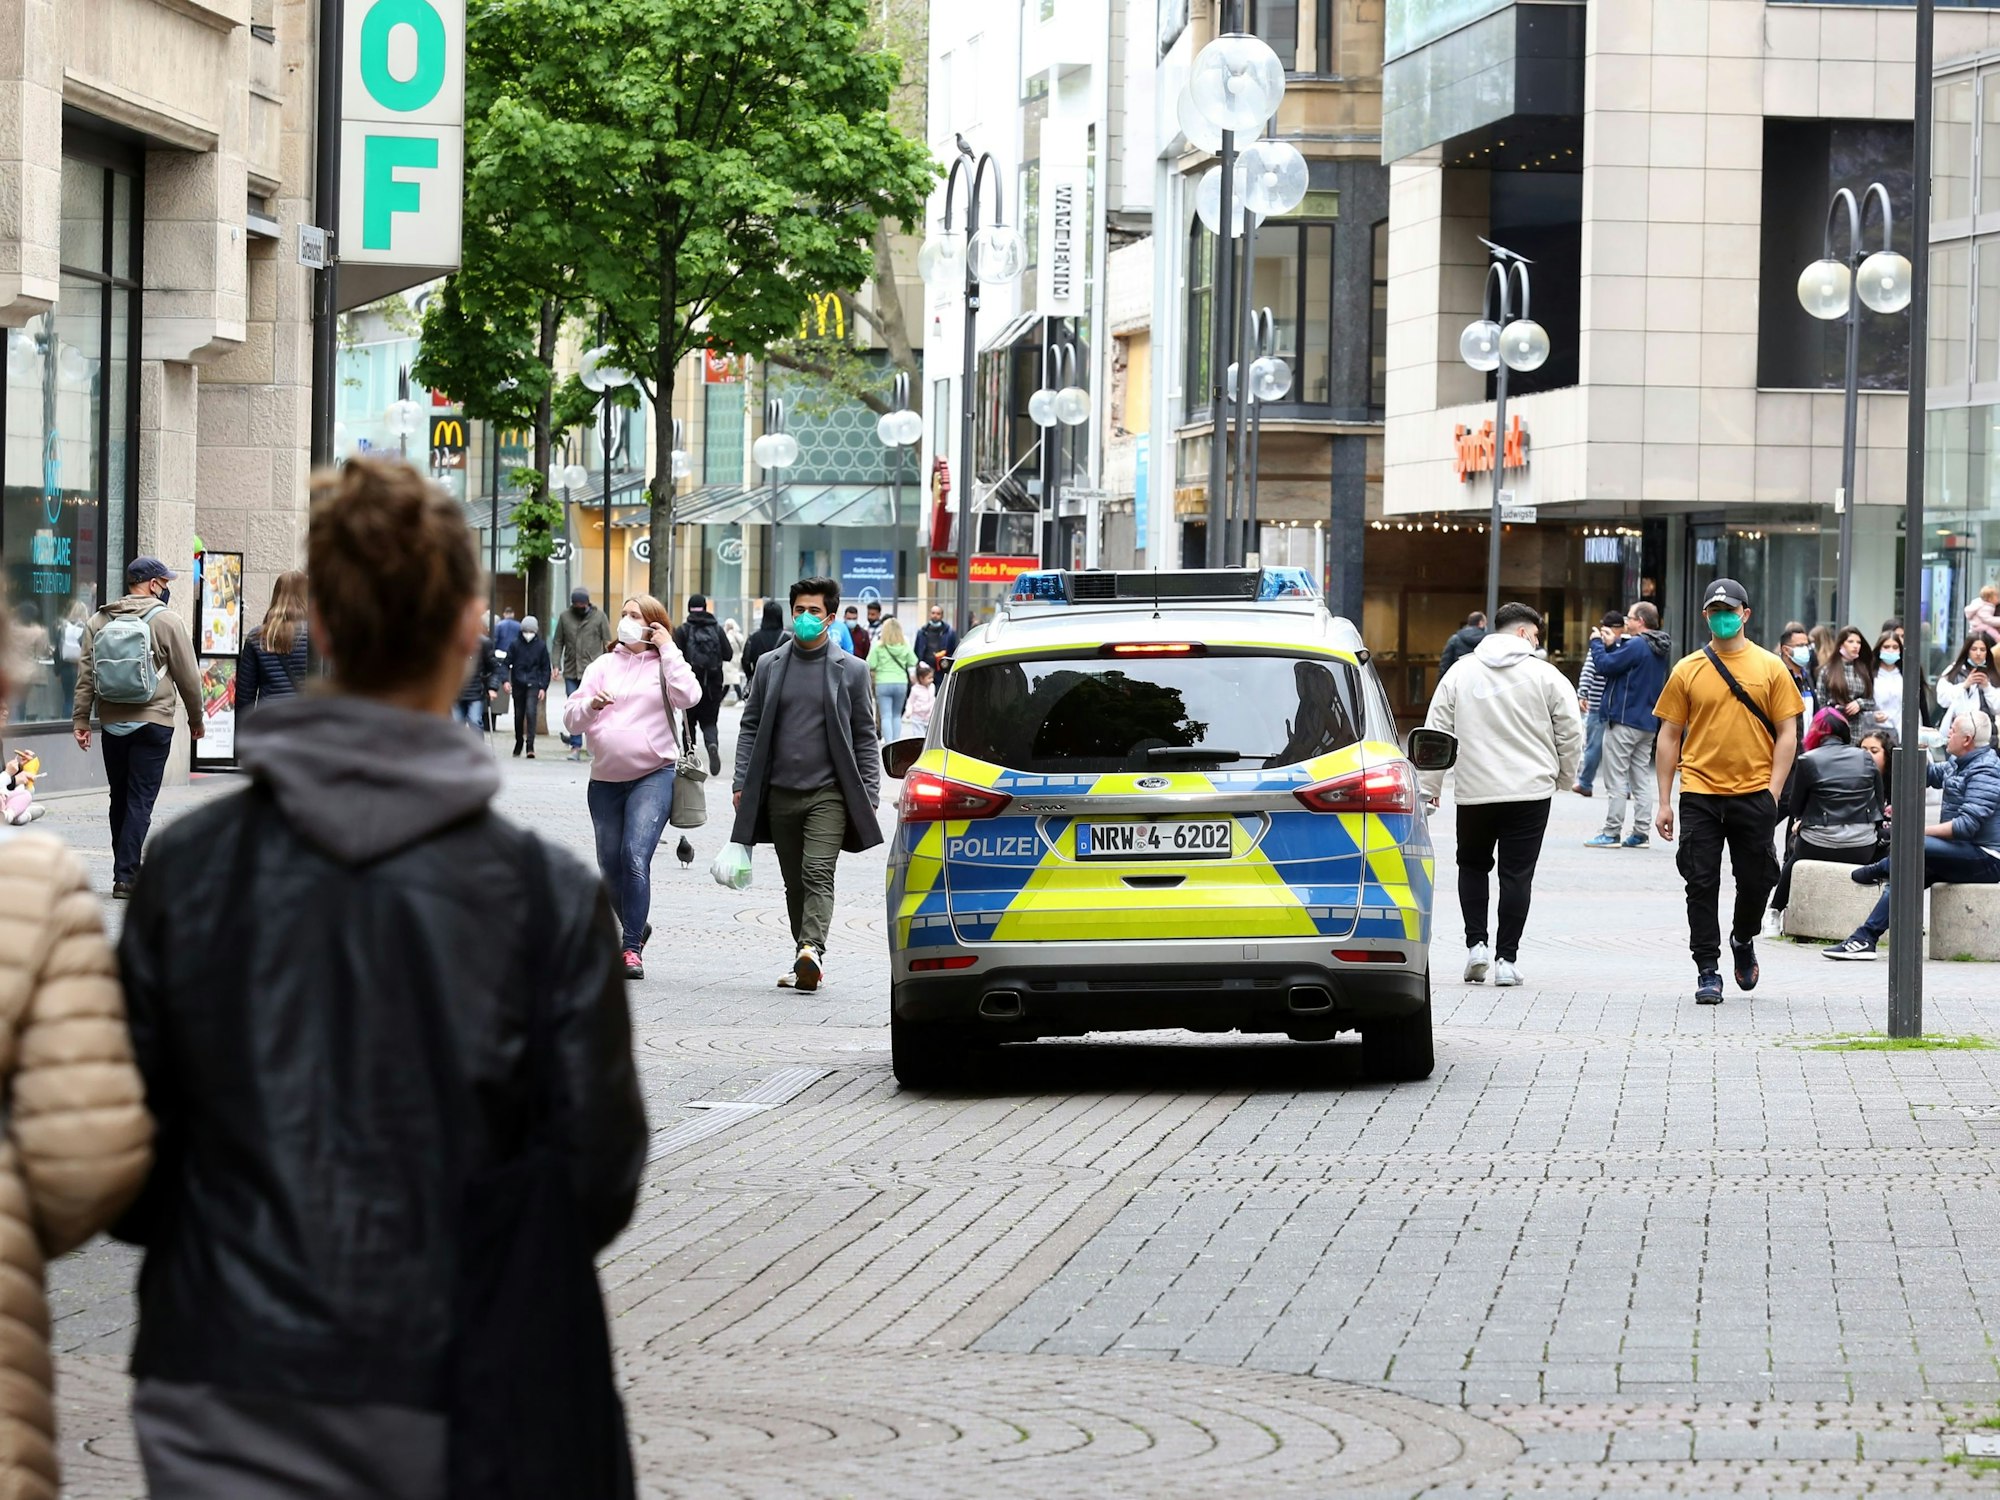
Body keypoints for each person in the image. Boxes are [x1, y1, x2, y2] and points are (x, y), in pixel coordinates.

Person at [114, 456, 648, 1499]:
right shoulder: (539, 894)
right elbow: (595, 1176)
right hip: (461, 1384)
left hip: (221, 1375)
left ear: (325, 629)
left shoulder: (190, 869)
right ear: (467, 630)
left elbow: (132, 1158)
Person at [0, 596, 153, 1500]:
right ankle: (131, 858)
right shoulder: (28, 887)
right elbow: (85, 1167)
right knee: (135, 803)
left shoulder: (100, 627)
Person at [1653, 579, 1803, 1004]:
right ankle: (1707, 968)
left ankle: (1743, 937)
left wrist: (1773, 790)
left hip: (1755, 791)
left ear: (1745, 614)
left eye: (1729, 609)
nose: (1723, 616)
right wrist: (1664, 800)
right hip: (1699, 791)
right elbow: (1669, 735)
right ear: (1706, 616)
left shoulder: (1770, 667)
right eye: (1715, 610)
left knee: (1757, 880)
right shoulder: (1688, 669)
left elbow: (1787, 733)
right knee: (1700, 881)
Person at [730, 577, 883, 992]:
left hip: (829, 793)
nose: (805, 617)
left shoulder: (851, 670)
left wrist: (869, 792)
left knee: (817, 871)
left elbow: (865, 736)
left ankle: (813, 949)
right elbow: (750, 727)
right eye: (799, 609)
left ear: (830, 618)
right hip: (779, 792)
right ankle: (804, 956)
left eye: (814, 611)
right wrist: (741, 780)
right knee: (793, 881)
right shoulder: (769, 664)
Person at [1419, 601, 1581, 987]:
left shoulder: (1460, 672)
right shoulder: (1546, 675)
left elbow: (1436, 731)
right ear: (1525, 632)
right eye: (1537, 635)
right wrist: (1563, 776)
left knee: (1472, 866)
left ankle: (1476, 946)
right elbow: (1571, 730)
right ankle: (1507, 959)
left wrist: (1431, 787)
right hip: (1530, 792)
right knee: (1517, 875)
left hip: (1475, 791)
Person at [562, 596, 701, 979]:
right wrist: (591, 705)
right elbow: (572, 720)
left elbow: (690, 696)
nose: (624, 621)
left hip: (653, 774)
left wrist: (668, 648)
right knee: (609, 867)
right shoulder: (603, 666)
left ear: (653, 625)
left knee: (633, 856)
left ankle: (630, 948)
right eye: (623, 614)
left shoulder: (665, 665)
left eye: (634, 616)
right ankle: (636, 925)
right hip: (605, 780)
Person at [72, 557, 204, 900]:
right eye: (165, 581)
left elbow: (86, 677)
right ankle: (126, 875)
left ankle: (125, 870)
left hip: (113, 724)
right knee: (141, 800)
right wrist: (196, 719)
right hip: (154, 722)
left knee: (121, 797)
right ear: (152, 584)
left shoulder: (98, 620)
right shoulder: (167, 621)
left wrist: (81, 720)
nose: (167, 587)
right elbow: (189, 678)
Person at [1825, 709, 2000, 959]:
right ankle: (1864, 939)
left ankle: (1881, 868)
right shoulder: (1958, 763)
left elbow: (1964, 827)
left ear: (1967, 739)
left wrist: (1913, 830)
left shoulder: (1986, 771)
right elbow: (1928, 775)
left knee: (1913, 845)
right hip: (1961, 852)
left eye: (1952, 730)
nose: (1947, 733)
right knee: (1909, 869)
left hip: (1986, 857)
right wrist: (1917, 750)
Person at [1769, 708, 1886, 922]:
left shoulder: (1807, 760)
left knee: (1793, 858)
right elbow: (1879, 804)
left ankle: (1774, 911)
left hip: (1817, 846)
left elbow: (1795, 808)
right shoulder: (1865, 757)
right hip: (1862, 848)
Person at [1584, 600, 1672, 850]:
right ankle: (1641, 832)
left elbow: (1606, 666)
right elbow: (1625, 664)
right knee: (1640, 777)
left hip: (1623, 720)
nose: (1626, 622)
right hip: (1647, 722)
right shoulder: (1659, 646)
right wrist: (1613, 645)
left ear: (1641, 621)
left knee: (1616, 779)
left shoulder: (1636, 644)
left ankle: (1611, 831)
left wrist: (1597, 643)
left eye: (1630, 618)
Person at [234, 569, 312, 717]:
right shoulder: (317, 637)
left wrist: (242, 735)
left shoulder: (257, 637)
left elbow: (244, 697)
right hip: (305, 723)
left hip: (269, 722)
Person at [674, 593, 729, 775]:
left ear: (689, 608)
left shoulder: (683, 630)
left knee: (688, 723)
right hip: (713, 686)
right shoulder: (717, 630)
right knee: (710, 722)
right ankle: (712, 745)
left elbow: (675, 657)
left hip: (689, 686)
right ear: (706, 608)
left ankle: (689, 756)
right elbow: (728, 654)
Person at [556, 587, 614, 761]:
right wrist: (555, 663)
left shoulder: (599, 617)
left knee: (594, 707)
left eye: (582, 604)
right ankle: (575, 746)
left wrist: (611, 664)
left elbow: (607, 641)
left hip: (593, 670)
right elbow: (558, 641)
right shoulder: (565, 617)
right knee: (574, 706)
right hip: (572, 669)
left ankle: (592, 742)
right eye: (576, 604)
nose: (579, 607)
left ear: (588, 602)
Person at [1573, 612, 1617, 797]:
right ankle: (1625, 787)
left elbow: (1588, 671)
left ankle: (1585, 783)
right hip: (1615, 705)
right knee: (1618, 749)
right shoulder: (1622, 647)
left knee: (1593, 746)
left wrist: (1582, 693)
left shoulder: (1598, 647)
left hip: (1597, 703)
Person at [508, 615, 552, 758]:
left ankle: (530, 746)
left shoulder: (540, 646)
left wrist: (543, 687)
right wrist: (506, 681)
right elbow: (506, 662)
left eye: (530, 631)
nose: (528, 634)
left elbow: (546, 668)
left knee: (531, 712)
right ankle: (519, 741)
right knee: (519, 714)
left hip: (534, 684)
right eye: (526, 631)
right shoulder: (515, 645)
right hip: (518, 683)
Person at [870, 617, 920, 740]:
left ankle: (888, 744)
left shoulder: (878, 646)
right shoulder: (905, 646)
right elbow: (913, 661)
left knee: (886, 716)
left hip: (882, 683)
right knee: (897, 715)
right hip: (901, 683)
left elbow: (870, 664)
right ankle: (896, 743)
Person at [1939, 635, 2000, 728]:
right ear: (1967, 651)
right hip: (1957, 732)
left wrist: (1987, 687)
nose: (1978, 653)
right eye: (1974, 649)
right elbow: (1943, 700)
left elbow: (1997, 708)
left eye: (1983, 650)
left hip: (1985, 735)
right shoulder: (1953, 671)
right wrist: (1965, 684)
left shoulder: (1992, 674)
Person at [1818, 626, 1874, 725]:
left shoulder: (1863, 670)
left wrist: (1859, 704)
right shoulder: (1828, 670)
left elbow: (1871, 702)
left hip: (1858, 727)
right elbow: (1821, 701)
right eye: (1850, 641)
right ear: (1841, 644)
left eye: (1858, 642)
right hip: (1834, 726)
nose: (1855, 646)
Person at [454, 627, 501, 733]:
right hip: (457, 692)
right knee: (456, 724)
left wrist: (492, 687)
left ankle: (475, 748)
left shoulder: (483, 643)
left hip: (475, 691)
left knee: (474, 721)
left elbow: (494, 668)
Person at [1776, 621, 1817, 725]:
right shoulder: (1777, 676)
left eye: (1807, 645)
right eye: (1800, 646)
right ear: (1785, 650)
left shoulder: (1806, 677)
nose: (1805, 650)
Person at [1871, 628, 1910, 731]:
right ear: (1879, 649)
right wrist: (1872, 716)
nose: (1891, 651)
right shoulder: (1870, 674)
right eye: (1886, 647)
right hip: (1874, 730)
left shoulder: (1905, 675)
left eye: (1895, 647)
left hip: (1900, 731)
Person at [742, 600, 786, 683]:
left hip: (759, 682)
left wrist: (751, 676)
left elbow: (745, 661)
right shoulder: (788, 638)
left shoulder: (753, 638)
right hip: (782, 682)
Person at [1438, 610, 1488, 681]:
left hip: (1459, 680)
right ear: (1481, 623)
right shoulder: (1487, 641)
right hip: (1480, 682)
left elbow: (1445, 665)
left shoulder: (1455, 639)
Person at [913, 603, 958, 679]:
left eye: (938, 614)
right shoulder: (922, 632)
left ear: (942, 616)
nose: (935, 616)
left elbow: (953, 651)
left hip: (942, 669)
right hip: (925, 668)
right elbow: (917, 650)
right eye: (933, 613)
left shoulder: (949, 633)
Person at [905, 661, 936, 737]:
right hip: (917, 717)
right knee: (919, 736)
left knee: (929, 736)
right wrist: (909, 711)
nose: (931, 680)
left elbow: (933, 699)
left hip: (929, 717)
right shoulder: (915, 689)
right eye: (929, 678)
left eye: (932, 677)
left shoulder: (932, 687)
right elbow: (910, 702)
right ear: (921, 678)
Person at [722, 615, 748, 702]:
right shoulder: (738, 635)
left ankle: (740, 697)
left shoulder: (727, 636)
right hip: (736, 660)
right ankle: (739, 698)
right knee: (730, 681)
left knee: (731, 680)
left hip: (729, 661)